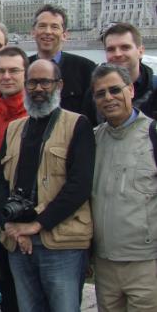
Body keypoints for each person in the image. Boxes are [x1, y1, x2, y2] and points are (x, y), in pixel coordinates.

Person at [0, 59, 94, 312]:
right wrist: (13, 227)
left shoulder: (77, 125)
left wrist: (37, 225)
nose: (38, 88)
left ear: (58, 85)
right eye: (32, 82)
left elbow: (79, 186)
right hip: (18, 242)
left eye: (45, 82)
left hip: (61, 243)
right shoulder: (14, 129)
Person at [89, 63, 157, 311]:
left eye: (115, 90)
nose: (109, 98)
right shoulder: (93, 139)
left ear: (131, 90)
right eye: (100, 93)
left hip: (146, 265)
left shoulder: (153, 136)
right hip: (105, 265)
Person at [83, 22, 157, 124]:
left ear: (140, 51)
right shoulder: (93, 94)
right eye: (111, 49)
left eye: (125, 47)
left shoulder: (154, 89)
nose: (117, 54)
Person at [28, 4, 96, 114]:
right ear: (33, 32)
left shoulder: (86, 68)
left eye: (54, 27)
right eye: (42, 26)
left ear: (64, 34)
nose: (48, 31)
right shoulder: (22, 67)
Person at [0, 47, 29, 158]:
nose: (6, 77)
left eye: (14, 71)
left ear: (26, 74)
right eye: (1, 71)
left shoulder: (39, 115)